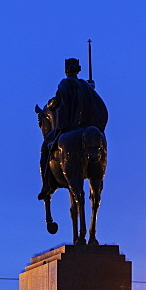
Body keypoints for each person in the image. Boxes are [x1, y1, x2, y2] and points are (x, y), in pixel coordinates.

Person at [38, 58, 108, 201]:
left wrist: (50, 104)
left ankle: (46, 186)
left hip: (68, 126)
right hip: (87, 125)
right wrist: (91, 88)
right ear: (78, 70)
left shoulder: (64, 84)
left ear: (66, 71)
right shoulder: (85, 86)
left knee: (45, 147)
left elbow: (55, 104)